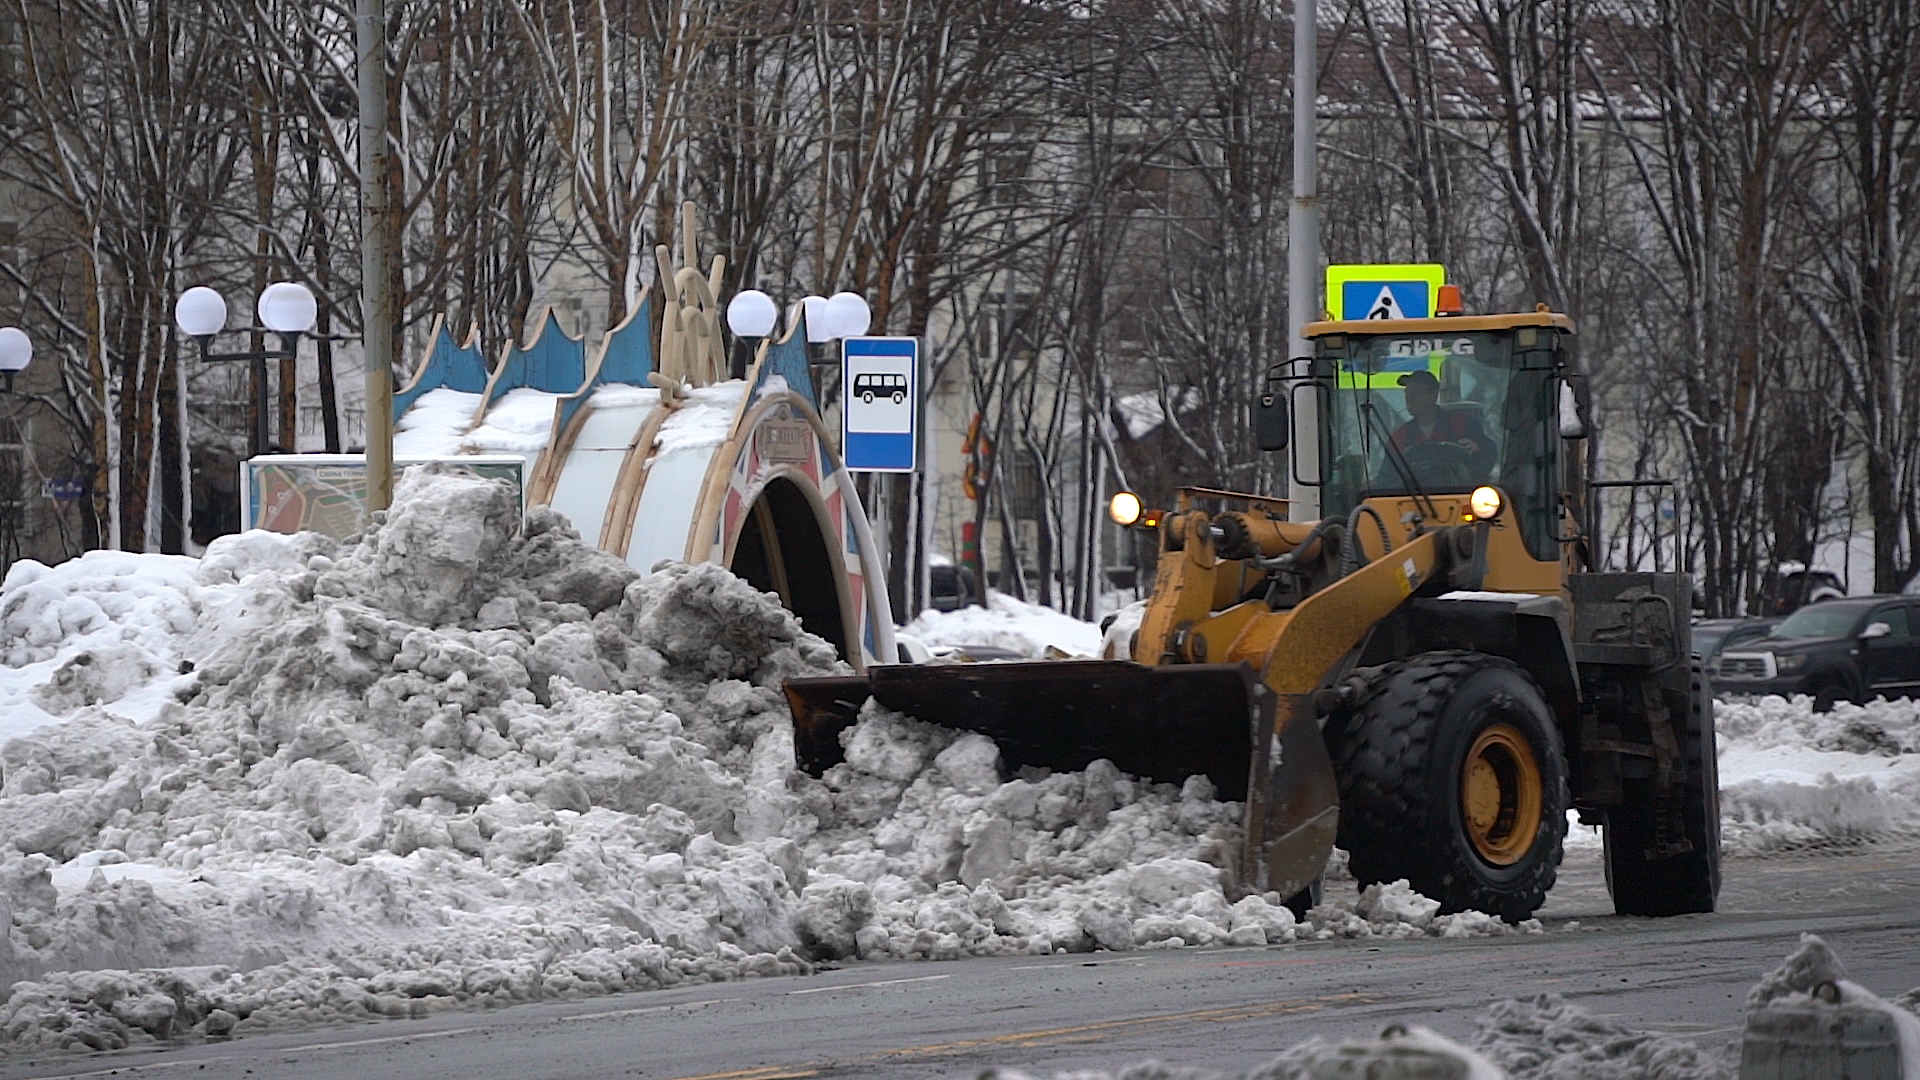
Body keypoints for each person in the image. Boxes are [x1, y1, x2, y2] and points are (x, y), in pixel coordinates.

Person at [1389, 368, 1493, 479]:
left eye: (1416, 393)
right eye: (1407, 393)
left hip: (1458, 492)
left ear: (1434, 394)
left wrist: (1478, 449)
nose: (1409, 399)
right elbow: (1385, 477)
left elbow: (1488, 457)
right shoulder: (1400, 436)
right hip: (1412, 494)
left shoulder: (1462, 424)